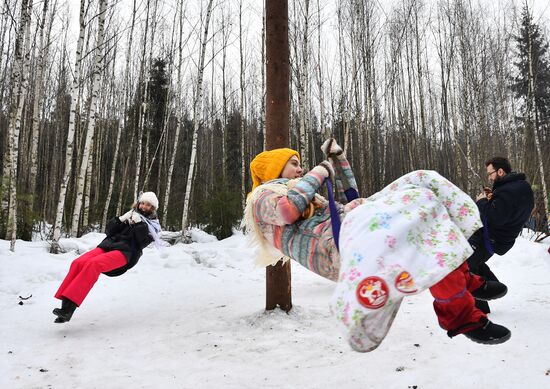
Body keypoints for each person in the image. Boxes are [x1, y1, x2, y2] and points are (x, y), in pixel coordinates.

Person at [243, 140, 510, 352]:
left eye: (301, 165)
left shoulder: (299, 189)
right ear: (273, 169)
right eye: (293, 164)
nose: (300, 169)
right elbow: (288, 211)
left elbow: (352, 194)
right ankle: (462, 316)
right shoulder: (262, 197)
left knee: (422, 184)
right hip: (339, 247)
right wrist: (319, 172)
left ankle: (461, 275)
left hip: (353, 226)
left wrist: (339, 157)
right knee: (414, 210)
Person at [53, 192, 162, 323]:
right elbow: (109, 232)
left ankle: (68, 310)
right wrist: (120, 220)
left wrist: (139, 224)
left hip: (126, 253)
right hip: (107, 246)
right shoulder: (130, 215)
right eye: (143, 203)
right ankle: (64, 307)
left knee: (93, 264)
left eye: (148, 205)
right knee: (78, 262)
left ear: (152, 208)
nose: (144, 206)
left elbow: (141, 242)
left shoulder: (152, 226)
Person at [467, 157, 534, 313]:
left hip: (492, 238)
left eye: (490, 174)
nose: (489, 177)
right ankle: (494, 287)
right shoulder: (522, 187)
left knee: (466, 264)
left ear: (500, 171)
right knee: (472, 262)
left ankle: (484, 302)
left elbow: (496, 218)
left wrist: (482, 202)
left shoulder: (507, 191)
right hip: (502, 238)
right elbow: (510, 210)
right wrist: (493, 199)